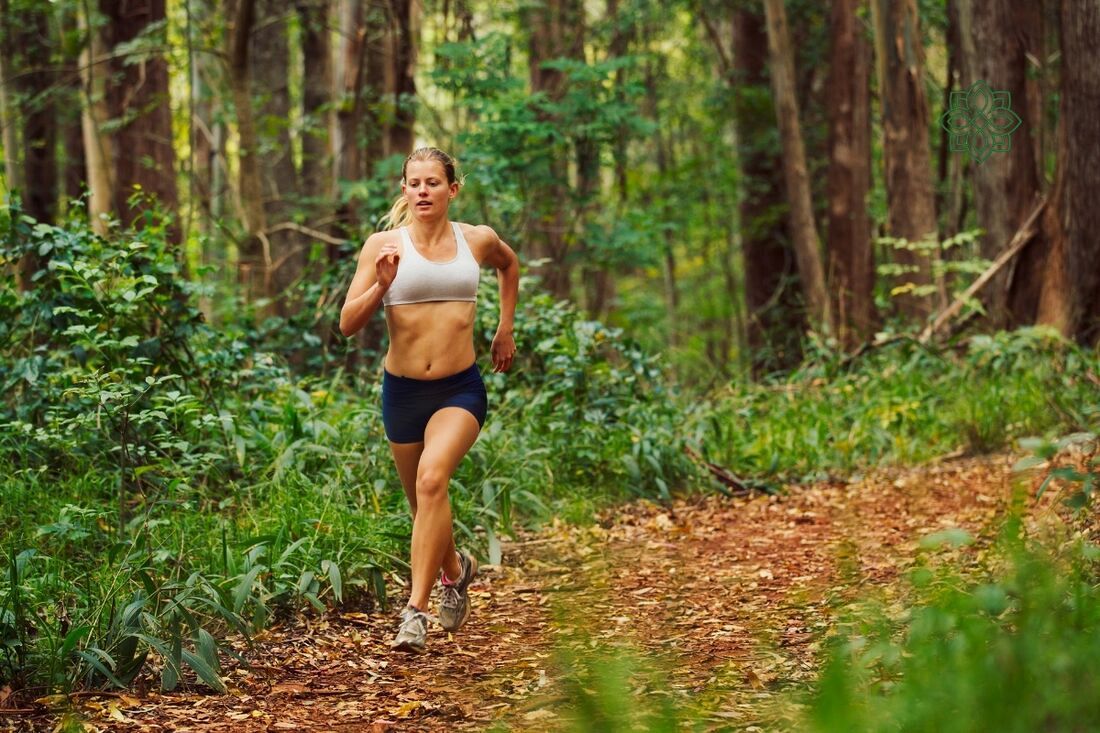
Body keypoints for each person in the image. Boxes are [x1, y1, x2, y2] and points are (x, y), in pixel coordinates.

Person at [339, 147, 519, 653]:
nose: (423, 191)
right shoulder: (383, 246)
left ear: (452, 189)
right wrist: (381, 285)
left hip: (459, 388)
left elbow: (510, 266)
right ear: (404, 190)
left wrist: (505, 328)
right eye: (414, 183)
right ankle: (455, 572)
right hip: (402, 393)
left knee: (432, 479)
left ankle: (414, 613)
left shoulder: (476, 240)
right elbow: (347, 324)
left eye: (433, 182)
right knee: (423, 503)